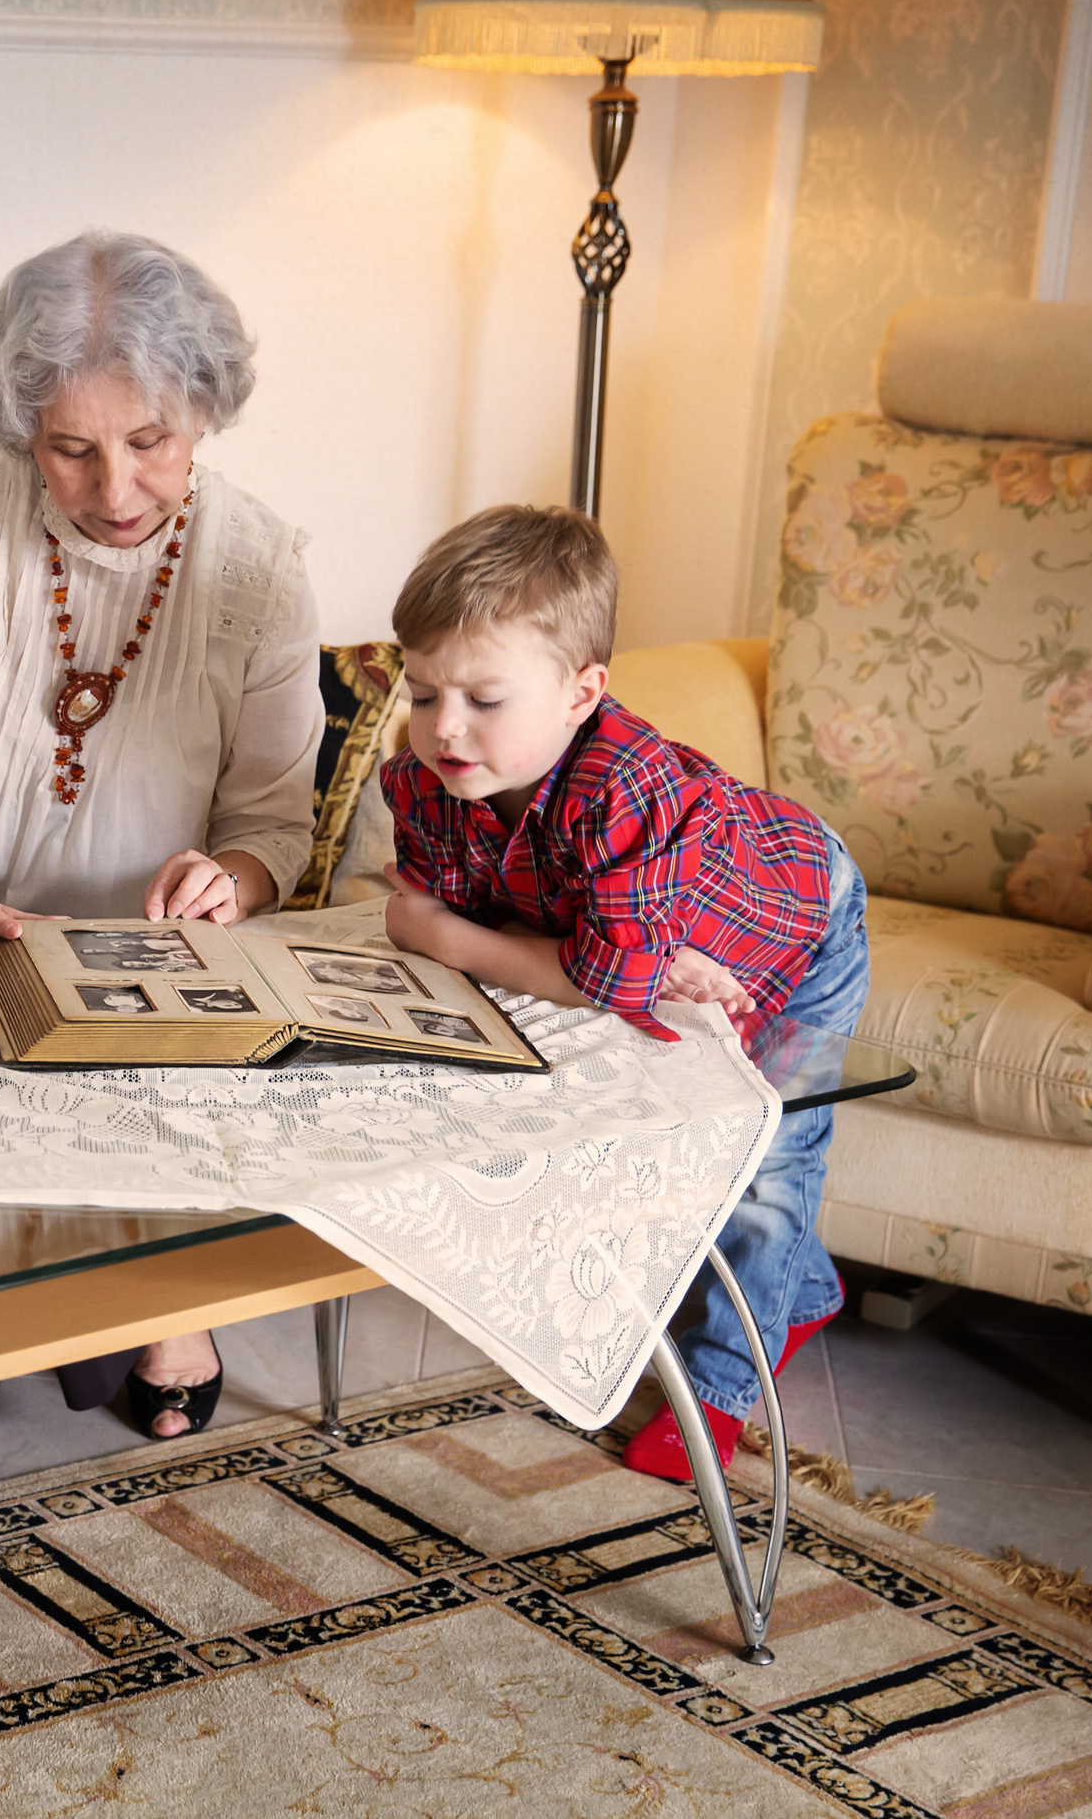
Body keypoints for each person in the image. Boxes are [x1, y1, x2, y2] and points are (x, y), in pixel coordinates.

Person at [0, 231, 326, 1439]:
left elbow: (274, 820)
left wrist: (229, 881)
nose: (114, 491)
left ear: (204, 413)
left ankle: (104, 1292)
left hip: (156, 957)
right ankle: (102, 1295)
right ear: (20, 433)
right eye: (70, 449)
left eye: (148, 443)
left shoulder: (259, 563)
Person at [375, 504, 866, 1482]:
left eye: (482, 698)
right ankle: (803, 1291)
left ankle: (725, 1385)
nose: (444, 728)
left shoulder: (621, 788)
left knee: (763, 1158)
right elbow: (500, 929)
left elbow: (515, 951)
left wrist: (444, 933)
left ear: (580, 691)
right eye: (423, 693)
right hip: (661, 936)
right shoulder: (429, 779)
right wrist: (571, 949)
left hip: (800, 929)